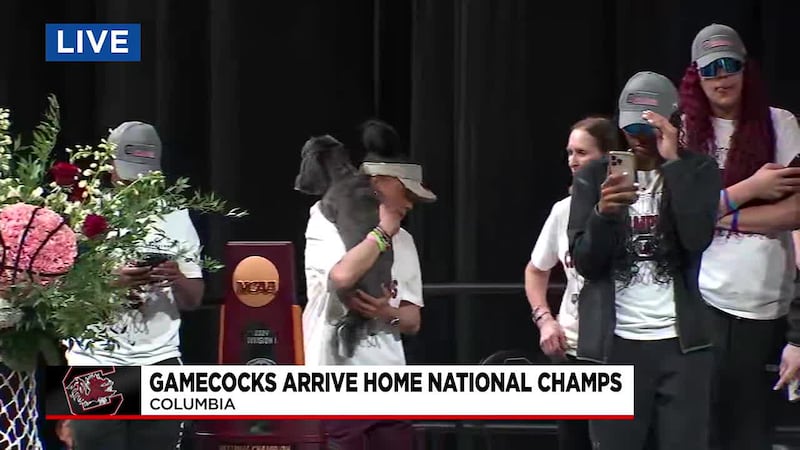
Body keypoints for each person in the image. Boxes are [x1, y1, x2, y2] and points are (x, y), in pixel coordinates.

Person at [567, 71, 721, 449]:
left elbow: (696, 240)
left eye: (647, 128)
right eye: (631, 128)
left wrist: (674, 166)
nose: (638, 138)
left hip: (681, 345)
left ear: (670, 123)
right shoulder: (593, 177)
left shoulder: (698, 170)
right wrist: (602, 215)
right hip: (614, 345)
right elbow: (585, 264)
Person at [679, 23, 800, 449]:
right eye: (711, 70)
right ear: (697, 76)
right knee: (706, 426)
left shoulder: (779, 124)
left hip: (768, 298)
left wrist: (719, 215)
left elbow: (794, 212)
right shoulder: (686, 133)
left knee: (752, 429)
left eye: (730, 66)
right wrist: (752, 191)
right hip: (707, 296)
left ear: (746, 69)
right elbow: (679, 218)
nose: (722, 78)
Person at [64, 121, 205, 450]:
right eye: (127, 175)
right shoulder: (82, 215)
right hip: (94, 363)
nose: (134, 185)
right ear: (110, 167)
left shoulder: (176, 218)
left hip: (160, 362)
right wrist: (110, 282)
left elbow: (194, 299)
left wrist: (176, 276)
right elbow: (59, 299)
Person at [300, 120, 435, 449]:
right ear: (380, 183)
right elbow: (342, 277)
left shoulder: (405, 240)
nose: (410, 203)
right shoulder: (325, 220)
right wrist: (382, 232)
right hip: (335, 386)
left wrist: (384, 312)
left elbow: (411, 320)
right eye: (405, 191)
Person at [523, 116, 618, 450]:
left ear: (609, 157)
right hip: (575, 351)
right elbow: (535, 270)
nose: (572, 161)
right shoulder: (562, 211)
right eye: (569, 152)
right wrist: (544, 320)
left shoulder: (637, 208)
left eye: (582, 152)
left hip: (624, 348)